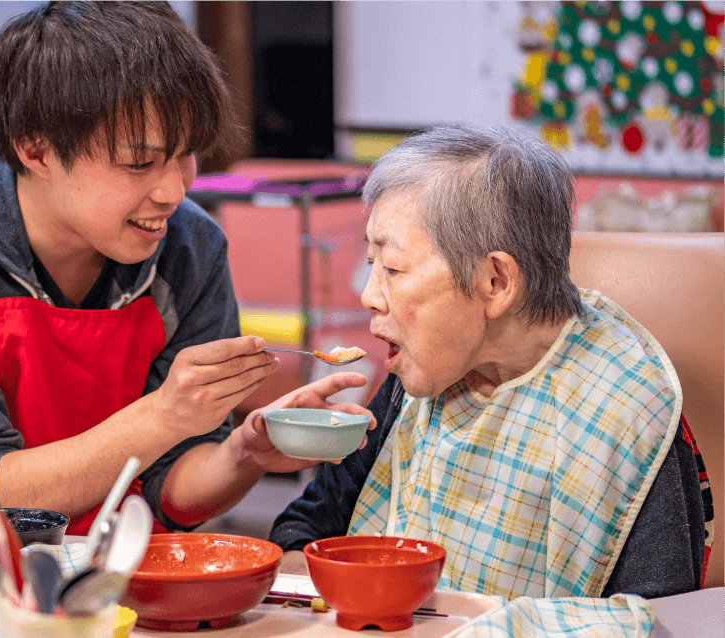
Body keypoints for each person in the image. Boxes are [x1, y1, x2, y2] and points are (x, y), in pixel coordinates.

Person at [0, 0, 373, 535]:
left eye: (187, 154)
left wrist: (242, 454)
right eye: (138, 162)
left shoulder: (188, 248)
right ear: (35, 149)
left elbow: (167, 487)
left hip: (89, 567)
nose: (175, 191)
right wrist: (165, 416)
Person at [268, 124, 711, 600]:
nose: (369, 294)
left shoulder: (626, 412)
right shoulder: (418, 383)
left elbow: (655, 622)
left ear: (495, 282)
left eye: (393, 269)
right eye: (370, 261)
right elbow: (301, 531)